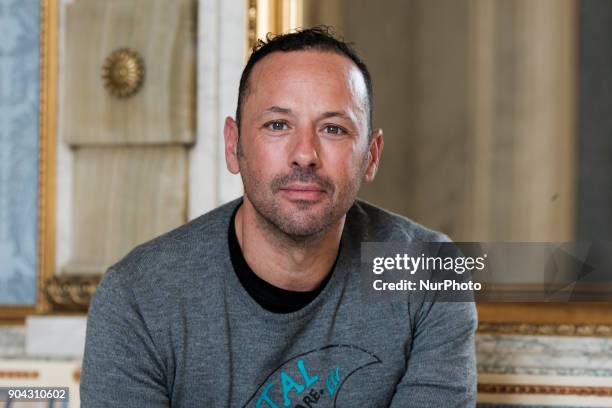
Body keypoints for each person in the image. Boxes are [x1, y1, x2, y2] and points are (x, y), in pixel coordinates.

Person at [81, 26, 477, 407]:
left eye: (334, 129)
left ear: (371, 156)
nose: (304, 153)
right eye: (277, 125)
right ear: (234, 145)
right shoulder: (138, 298)